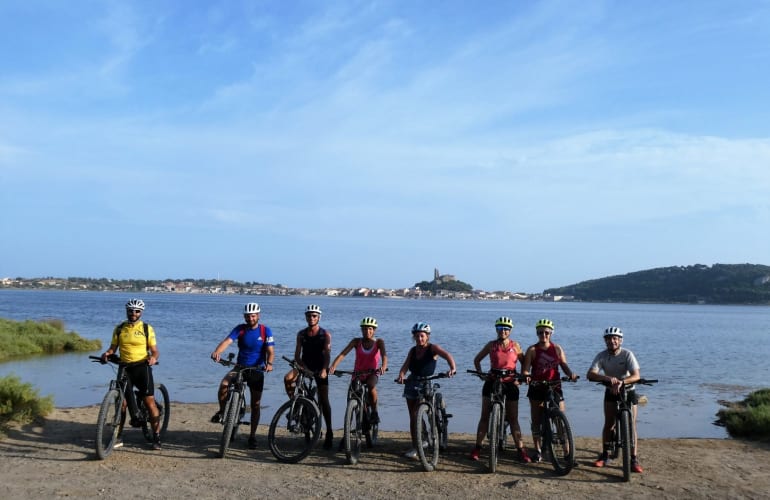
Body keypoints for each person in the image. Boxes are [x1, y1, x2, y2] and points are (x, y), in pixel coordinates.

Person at [210, 302, 275, 449]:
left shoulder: (266, 331)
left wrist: (269, 364)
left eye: (253, 316)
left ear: (258, 315)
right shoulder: (240, 329)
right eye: (248, 316)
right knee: (224, 385)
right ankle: (222, 411)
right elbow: (227, 341)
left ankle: (252, 436)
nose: (250, 318)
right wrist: (217, 351)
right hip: (239, 367)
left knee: (256, 404)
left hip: (257, 370)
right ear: (244, 316)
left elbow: (270, 351)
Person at [100, 298, 162, 450]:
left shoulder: (147, 328)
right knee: (121, 404)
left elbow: (154, 350)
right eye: (131, 310)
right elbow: (112, 348)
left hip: (142, 367)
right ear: (126, 311)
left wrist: (153, 358)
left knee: (149, 402)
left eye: (137, 311)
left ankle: (156, 436)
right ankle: (118, 436)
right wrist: (106, 354)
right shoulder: (120, 328)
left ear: (141, 313)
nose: (133, 313)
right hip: (124, 368)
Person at [469, 316, 531, 463]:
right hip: (492, 381)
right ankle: (477, 447)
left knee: (514, 419)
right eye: (500, 328)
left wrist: (521, 378)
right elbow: (477, 359)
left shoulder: (515, 346)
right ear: (496, 330)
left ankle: (521, 450)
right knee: (484, 416)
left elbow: (525, 363)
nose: (503, 331)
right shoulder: (491, 345)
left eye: (506, 329)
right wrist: (481, 375)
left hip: (510, 383)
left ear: (510, 331)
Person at [586, 326, 644, 473]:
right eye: (609, 339)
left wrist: (622, 382)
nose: (612, 341)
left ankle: (633, 459)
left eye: (615, 338)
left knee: (631, 425)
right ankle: (605, 455)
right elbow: (590, 374)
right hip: (610, 391)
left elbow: (636, 375)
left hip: (628, 391)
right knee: (609, 424)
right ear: (605, 341)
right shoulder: (602, 355)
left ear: (620, 340)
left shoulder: (627, 354)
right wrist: (607, 378)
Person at [396, 321, 457, 460]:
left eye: (422, 336)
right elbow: (405, 366)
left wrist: (452, 368)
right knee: (412, 416)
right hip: (412, 381)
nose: (419, 339)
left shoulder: (433, 348)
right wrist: (401, 375)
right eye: (417, 336)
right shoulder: (412, 350)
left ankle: (429, 435)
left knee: (418, 411)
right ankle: (416, 444)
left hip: (426, 381)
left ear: (427, 336)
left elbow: (447, 355)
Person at [521, 318, 578, 463]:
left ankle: (567, 453)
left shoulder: (557, 348)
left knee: (561, 419)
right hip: (537, 387)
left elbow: (564, 365)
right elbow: (526, 369)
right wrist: (526, 376)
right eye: (540, 332)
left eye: (546, 332)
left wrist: (570, 374)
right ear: (537, 333)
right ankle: (538, 450)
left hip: (555, 386)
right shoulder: (532, 350)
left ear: (551, 333)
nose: (543, 335)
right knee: (536, 420)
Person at [284, 304, 334, 449]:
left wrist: (324, 370)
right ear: (305, 317)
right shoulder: (301, 334)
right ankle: (297, 404)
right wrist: (303, 367)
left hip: (320, 367)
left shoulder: (325, 335)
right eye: (309, 316)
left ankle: (329, 431)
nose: (311, 318)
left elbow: (327, 355)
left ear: (319, 317)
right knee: (288, 379)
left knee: (324, 400)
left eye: (314, 316)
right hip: (304, 366)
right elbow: (297, 355)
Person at [329, 316, 388, 422]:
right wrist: (333, 366)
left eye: (370, 329)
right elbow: (343, 354)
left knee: (371, 385)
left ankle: (374, 412)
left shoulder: (379, 342)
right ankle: (347, 431)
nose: (367, 331)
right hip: (357, 374)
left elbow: (384, 355)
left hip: (372, 373)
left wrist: (383, 366)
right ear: (361, 330)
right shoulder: (356, 341)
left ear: (374, 330)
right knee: (351, 399)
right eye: (364, 329)